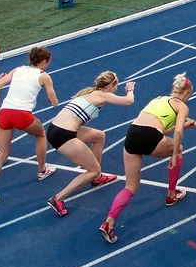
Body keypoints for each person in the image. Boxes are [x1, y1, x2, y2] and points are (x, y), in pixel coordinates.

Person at [99, 73, 193, 244]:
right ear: (186, 93)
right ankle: (171, 194)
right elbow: (176, 131)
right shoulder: (182, 106)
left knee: (131, 185)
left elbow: (156, 129)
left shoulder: (157, 99)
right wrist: (173, 155)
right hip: (149, 136)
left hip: (132, 134)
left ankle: (109, 223)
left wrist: (183, 127)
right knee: (178, 149)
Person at [45, 72, 136, 217]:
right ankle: (58, 198)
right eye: (116, 85)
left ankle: (96, 177)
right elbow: (128, 101)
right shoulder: (103, 95)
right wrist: (130, 90)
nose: (117, 87)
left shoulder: (91, 92)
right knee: (93, 169)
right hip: (63, 135)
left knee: (99, 136)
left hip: (57, 128)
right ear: (111, 85)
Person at [0, 47, 59, 204]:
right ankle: (42, 170)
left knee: (2, 154)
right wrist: (53, 101)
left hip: (5, 112)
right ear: (44, 61)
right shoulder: (44, 76)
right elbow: (54, 102)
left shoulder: (18, 70)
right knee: (40, 134)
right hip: (22, 114)